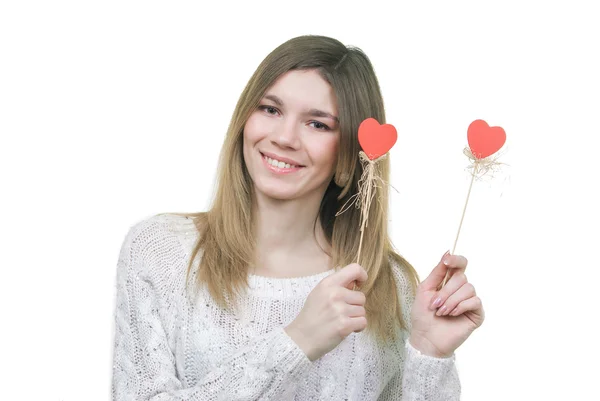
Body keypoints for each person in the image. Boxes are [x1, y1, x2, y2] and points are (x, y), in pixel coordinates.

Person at [111, 35, 485, 400]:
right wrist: (298, 340)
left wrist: (430, 354)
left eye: (317, 124)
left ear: (351, 155)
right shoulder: (160, 252)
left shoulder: (390, 285)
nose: (285, 137)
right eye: (270, 109)